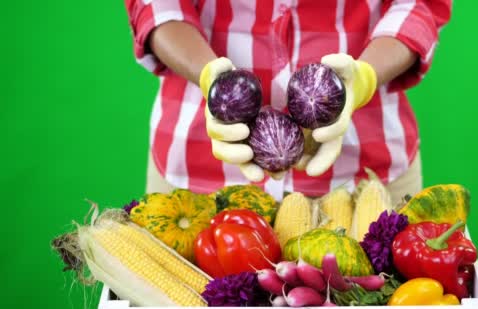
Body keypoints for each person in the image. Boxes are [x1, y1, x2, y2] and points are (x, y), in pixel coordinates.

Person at [124, 0, 452, 203]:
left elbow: (419, 3)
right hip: (194, 169)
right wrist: (209, 76)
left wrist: (364, 78)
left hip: (367, 173)